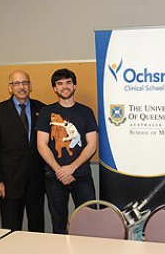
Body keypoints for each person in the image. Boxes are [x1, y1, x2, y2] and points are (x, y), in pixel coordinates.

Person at [36, 68, 98, 234]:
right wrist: (60, 171)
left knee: (89, 221)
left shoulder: (86, 112)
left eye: (68, 82)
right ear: (55, 88)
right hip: (54, 177)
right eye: (60, 83)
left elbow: (92, 144)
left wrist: (71, 168)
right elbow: (41, 145)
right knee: (58, 224)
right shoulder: (46, 112)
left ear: (74, 85)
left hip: (82, 174)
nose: (65, 86)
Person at [0, 70, 46, 232]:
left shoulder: (42, 109)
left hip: (36, 181)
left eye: (25, 82)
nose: (21, 87)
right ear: (9, 87)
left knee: (37, 227)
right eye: (16, 83)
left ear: (31, 86)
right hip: (8, 182)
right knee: (11, 228)